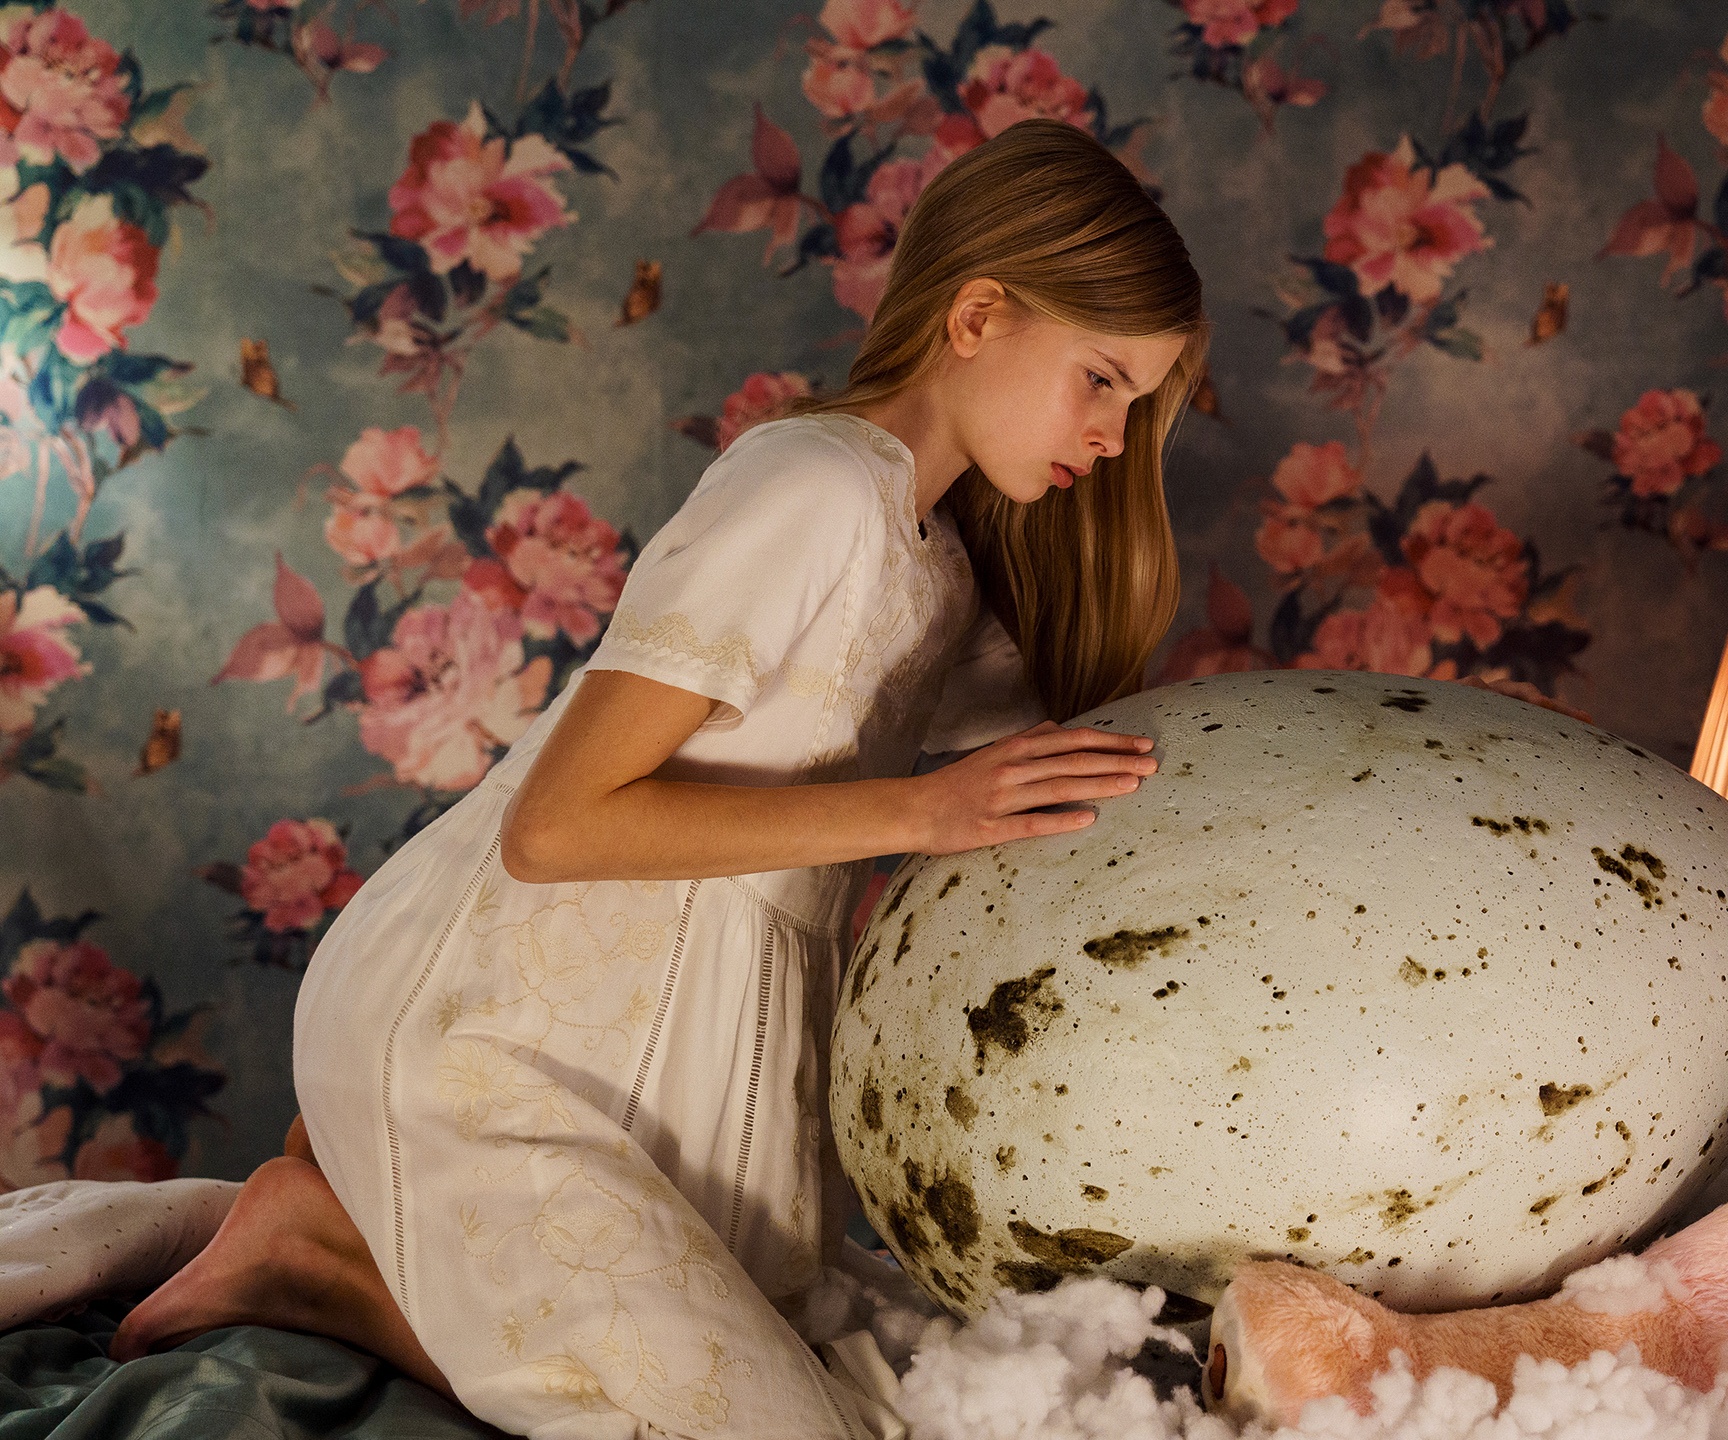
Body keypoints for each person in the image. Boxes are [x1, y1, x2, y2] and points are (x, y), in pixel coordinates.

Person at [107, 118, 1207, 1439]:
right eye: (1100, 379)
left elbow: (1048, 742)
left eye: (1136, 403)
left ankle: (341, 1254)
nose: (1114, 433)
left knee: (834, 1379)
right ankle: (326, 1252)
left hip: (677, 1062)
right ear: (977, 317)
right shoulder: (809, 488)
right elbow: (555, 828)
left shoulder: (938, 567)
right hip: (501, 1036)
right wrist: (922, 812)